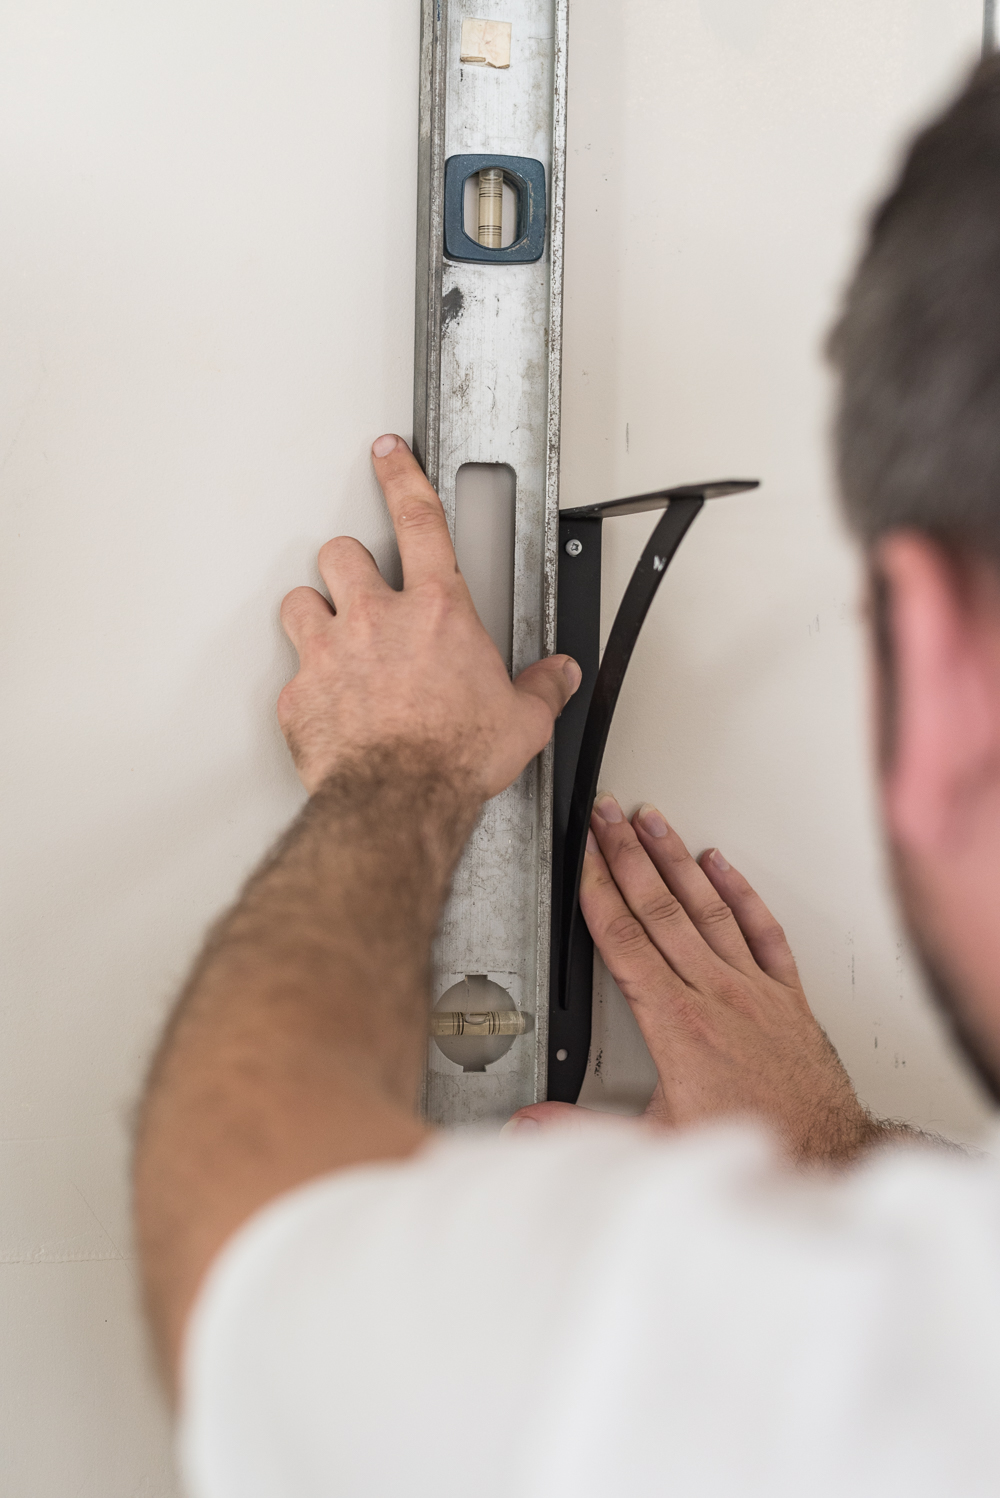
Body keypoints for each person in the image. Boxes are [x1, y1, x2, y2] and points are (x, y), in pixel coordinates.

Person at [135, 57, 1000, 1498]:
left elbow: (244, 1239)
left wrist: (400, 773)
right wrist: (833, 1152)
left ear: (938, 658)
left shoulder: (879, 1383)